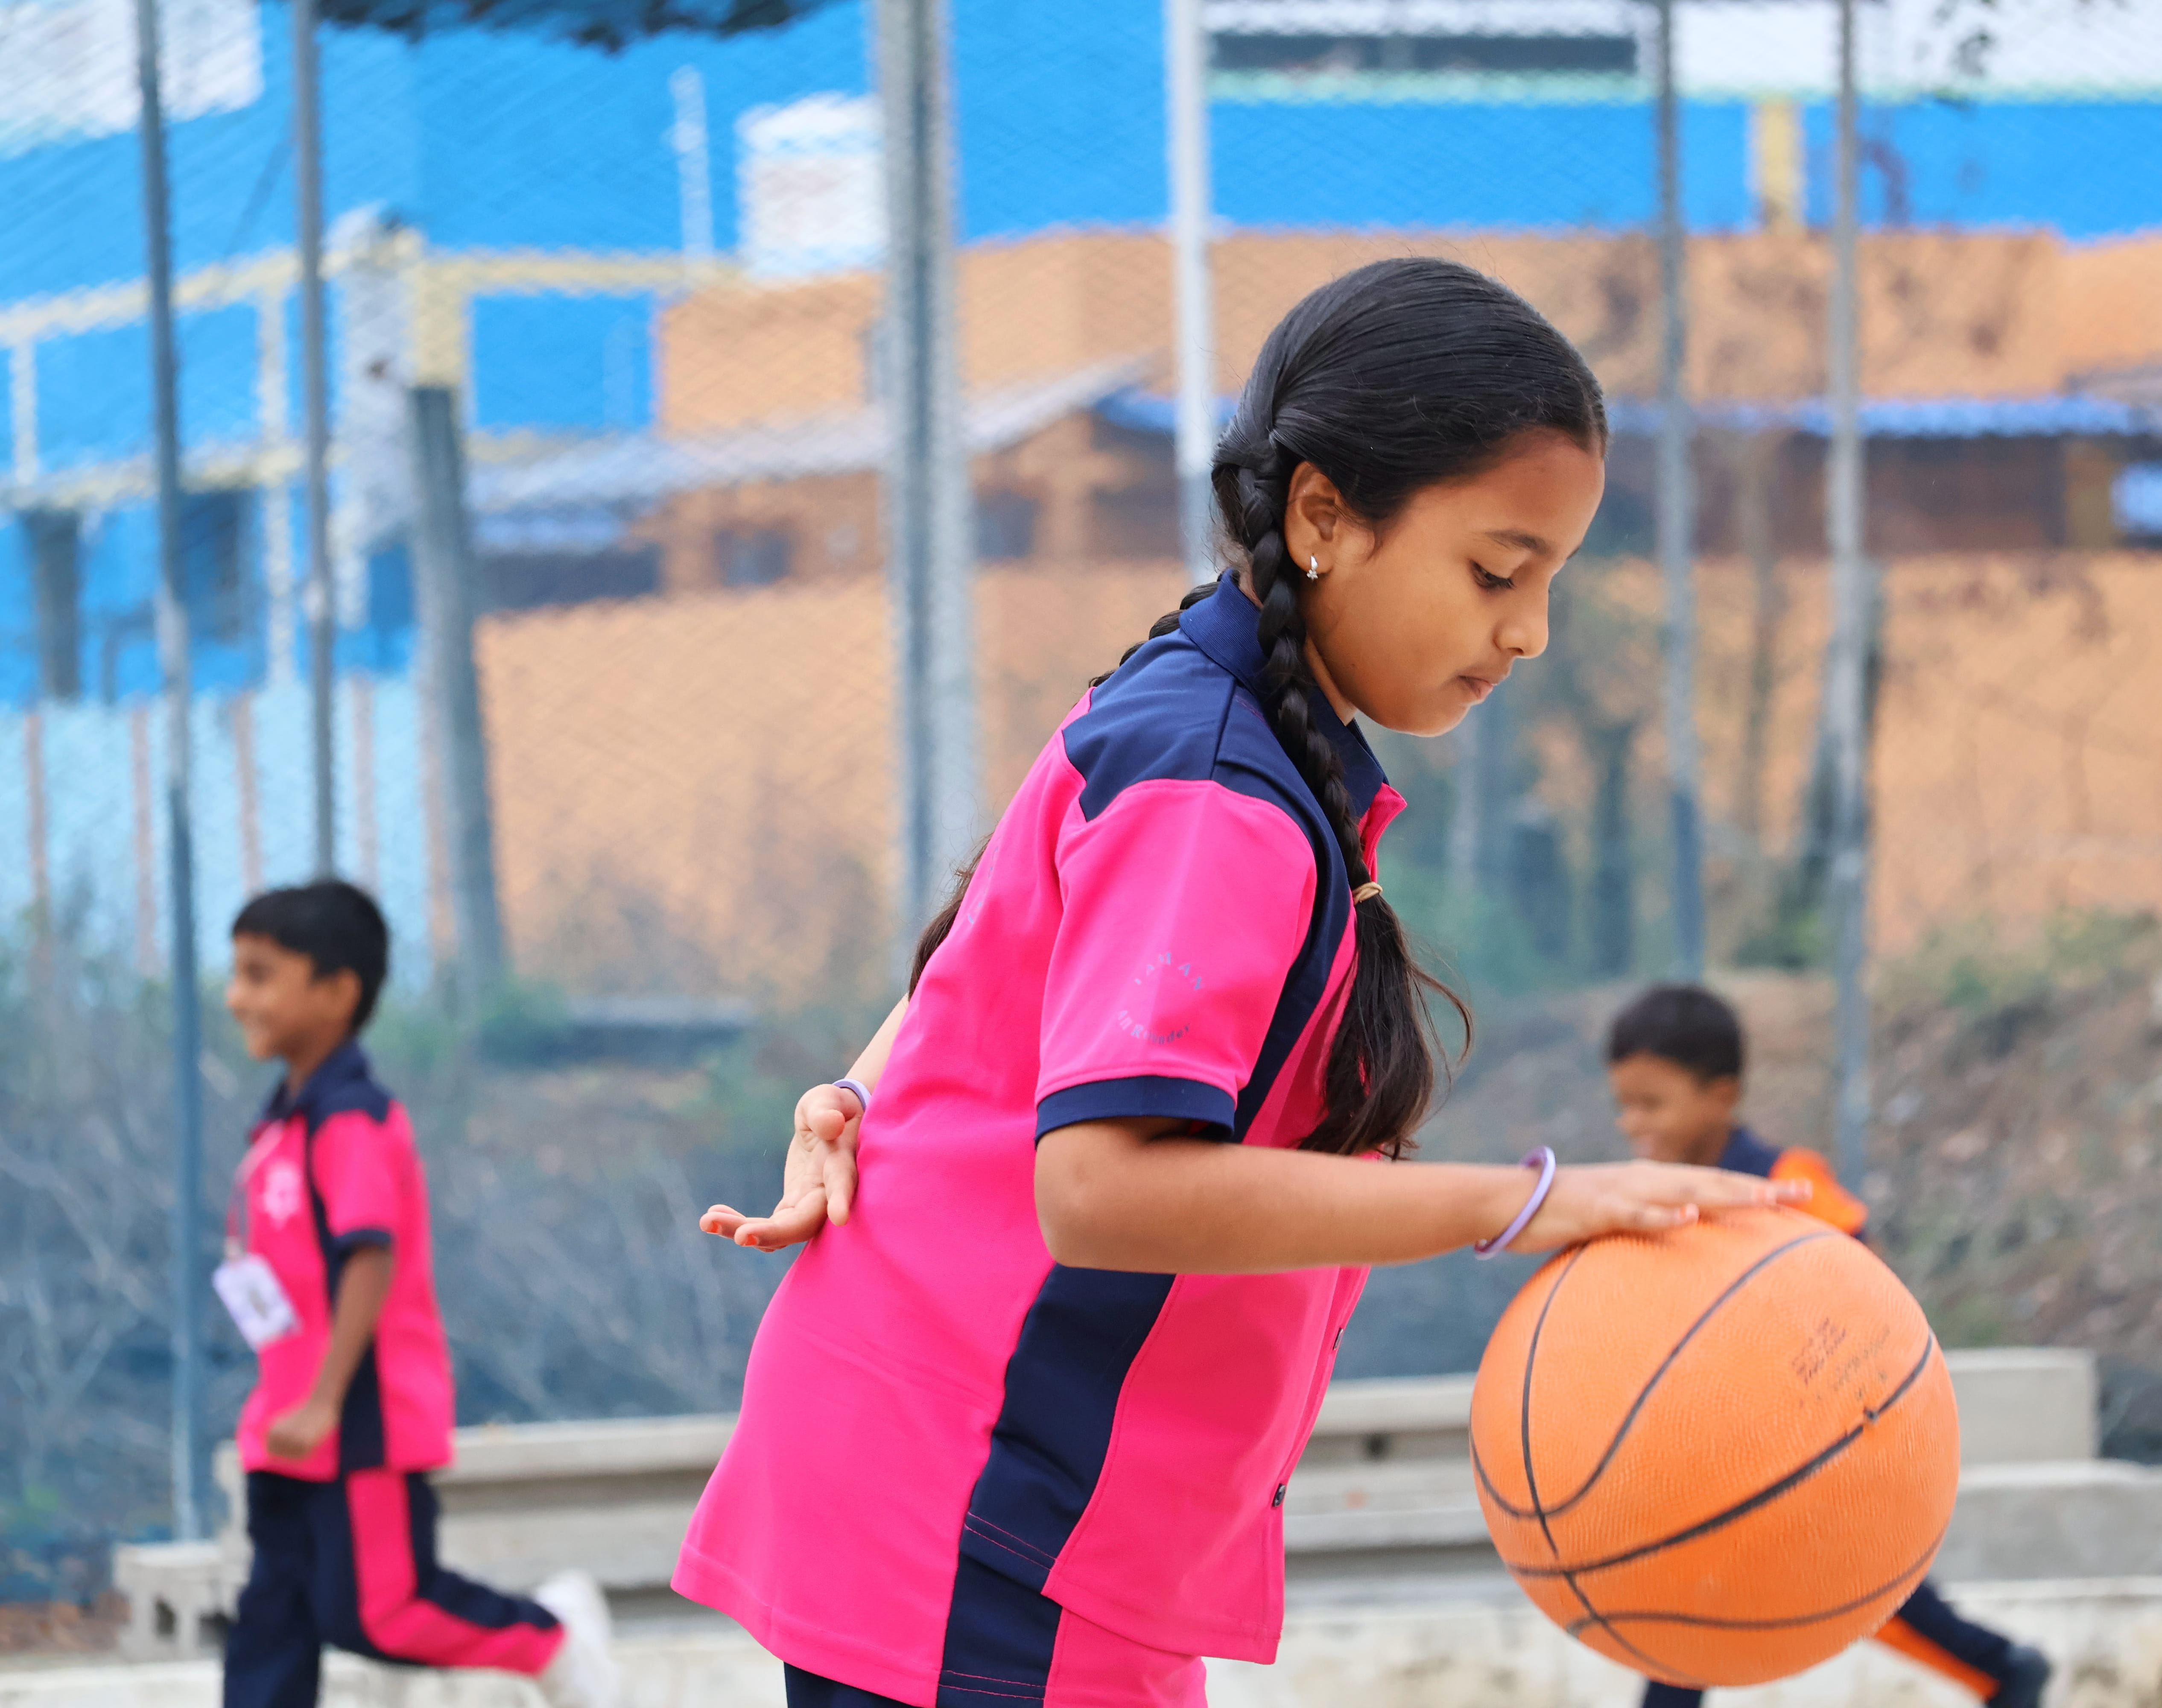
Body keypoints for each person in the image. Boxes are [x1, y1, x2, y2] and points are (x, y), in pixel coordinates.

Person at [679, 258, 1811, 1708]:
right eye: (1496, 571)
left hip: (1014, 1515)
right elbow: (1101, 1188)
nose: (1528, 632)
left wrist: (855, 1086)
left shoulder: (1228, 725)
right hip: (977, 1516)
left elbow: (996, 952)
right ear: (1326, 516)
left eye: (1552, 582)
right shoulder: (1219, 784)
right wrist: (1522, 1201)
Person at [217, 880, 619, 1708]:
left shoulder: (352, 1119)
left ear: (336, 992)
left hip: (354, 1421)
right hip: (285, 1427)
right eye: (237, 973)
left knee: (381, 1611)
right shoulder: (282, 1124)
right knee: (273, 1613)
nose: (237, 997)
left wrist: (327, 1398)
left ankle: (550, 1633)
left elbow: (370, 1253)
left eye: (260, 974)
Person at [1604, 983, 2051, 1708]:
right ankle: (2004, 1672)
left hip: (1817, 1439)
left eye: (1652, 1104)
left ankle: (2004, 1671)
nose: (1632, 1123)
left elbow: (1859, 1266)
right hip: (1727, 1446)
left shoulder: (1786, 1182)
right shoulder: (1658, 1200)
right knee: (1693, 1601)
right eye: (1624, 1105)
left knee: (1870, 1597)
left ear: (1722, 1096)